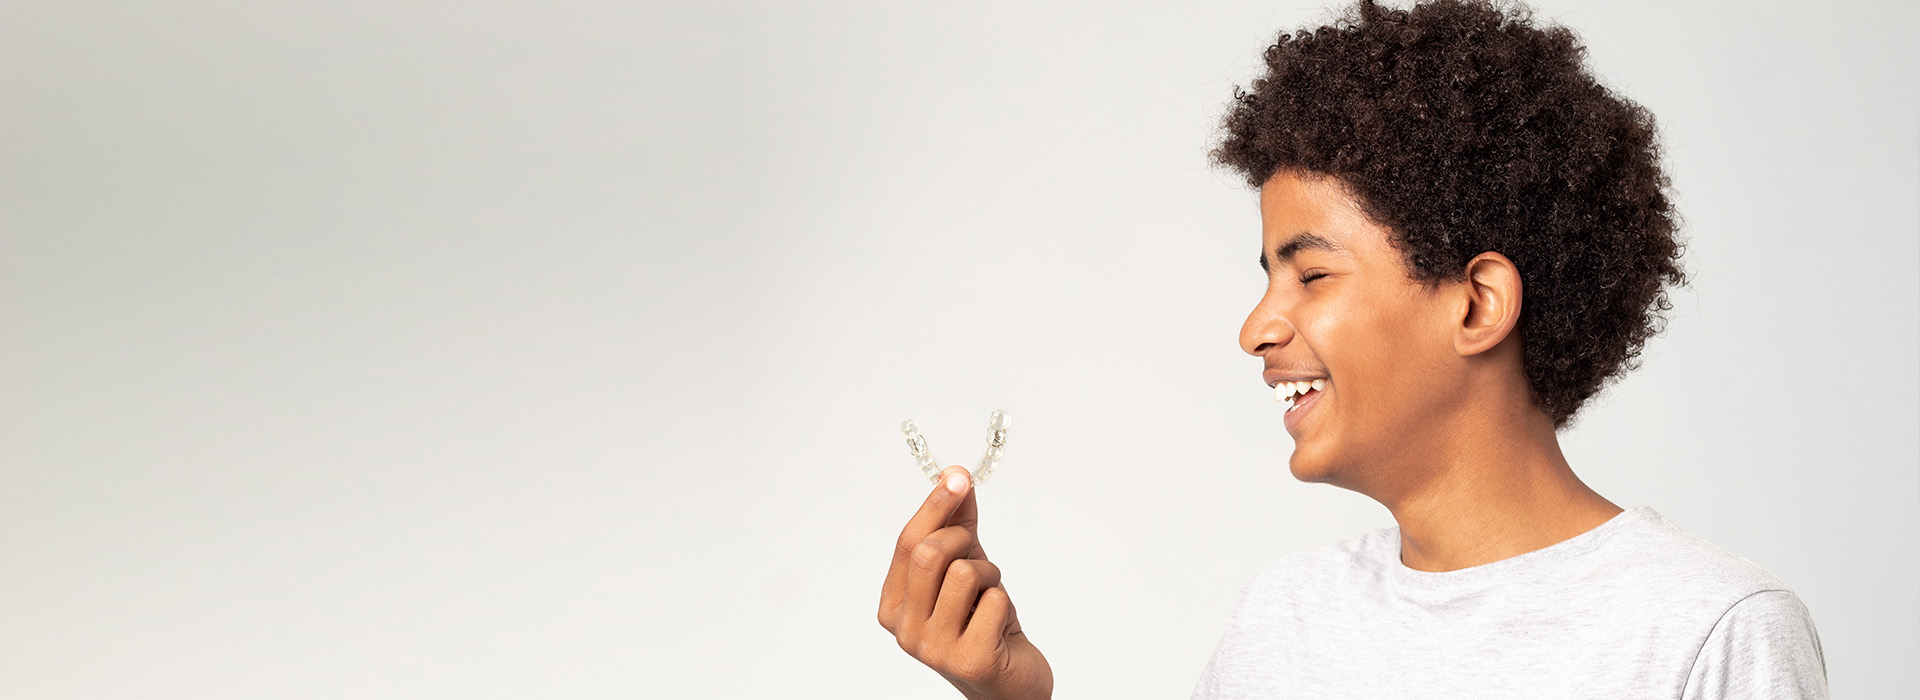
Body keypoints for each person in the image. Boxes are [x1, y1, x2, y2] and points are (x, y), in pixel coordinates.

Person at [874, 1, 1828, 698]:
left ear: (1477, 302)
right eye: (1266, 276)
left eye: (1311, 274)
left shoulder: (1709, 633)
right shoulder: (1286, 621)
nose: (1256, 327)